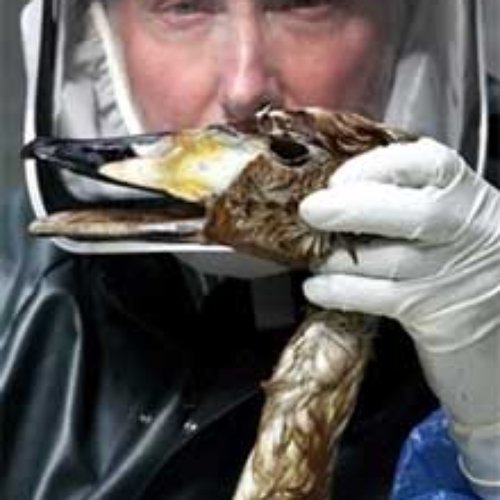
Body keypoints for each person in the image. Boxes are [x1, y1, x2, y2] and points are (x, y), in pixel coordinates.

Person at [0, 0, 498, 499]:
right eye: (185, 7)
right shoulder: (13, 299)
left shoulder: (485, 259)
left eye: (303, 4)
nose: (245, 87)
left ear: (408, 29)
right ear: (97, 35)